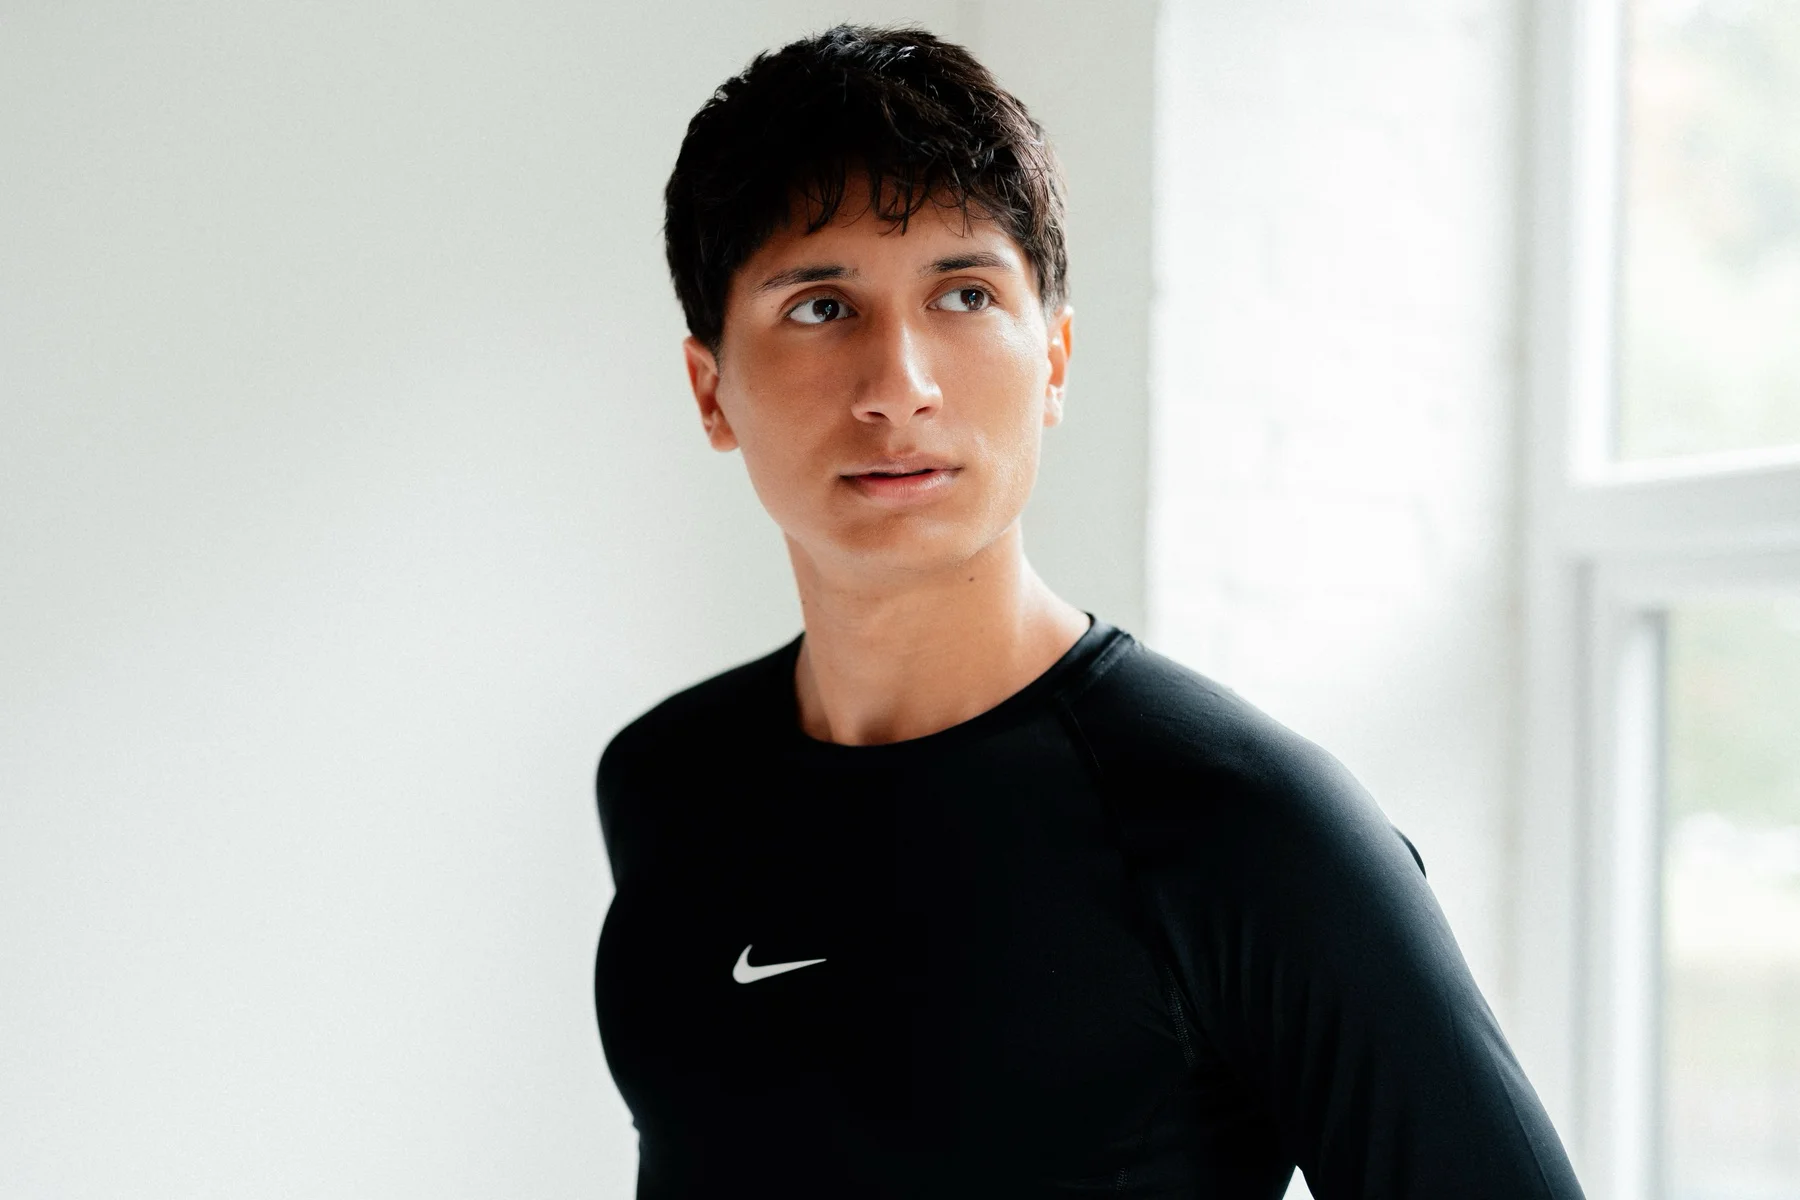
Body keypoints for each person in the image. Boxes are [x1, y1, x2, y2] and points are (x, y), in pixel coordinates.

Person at [594, 23, 1585, 1200]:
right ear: (712, 389)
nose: (899, 387)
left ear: (1055, 361)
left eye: (964, 295)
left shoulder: (1246, 828)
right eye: (820, 307)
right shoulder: (668, 781)